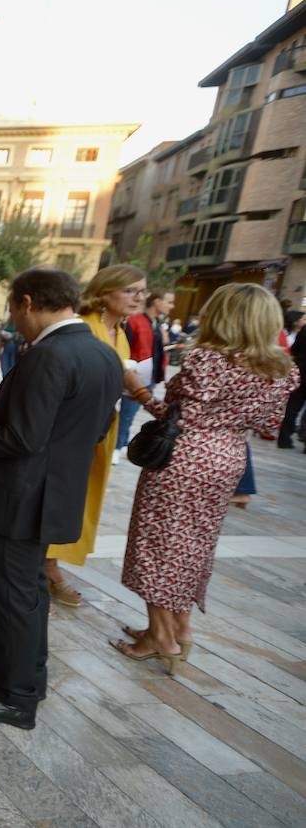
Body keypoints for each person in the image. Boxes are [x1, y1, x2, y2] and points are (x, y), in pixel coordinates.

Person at [0, 267, 122, 729]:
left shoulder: (49, 355)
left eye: (14, 311)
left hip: (20, 497)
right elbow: (92, 429)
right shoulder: (103, 353)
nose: (14, 322)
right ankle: (22, 671)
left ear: (26, 302)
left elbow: (21, 437)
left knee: (15, 596)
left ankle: (16, 698)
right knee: (31, 592)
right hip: (54, 493)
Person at [115, 283, 297, 671]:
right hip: (229, 457)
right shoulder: (281, 368)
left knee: (160, 545)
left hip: (185, 457)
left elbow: (181, 417)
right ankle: (178, 630)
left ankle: (162, 639)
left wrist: (143, 395)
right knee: (192, 546)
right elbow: (269, 423)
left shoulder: (208, 359)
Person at [45, 264, 147, 607]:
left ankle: (51, 561)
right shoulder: (86, 328)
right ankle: (48, 566)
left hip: (102, 425)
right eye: (131, 290)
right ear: (105, 292)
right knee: (67, 495)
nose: (139, 297)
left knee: (83, 499)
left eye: (142, 291)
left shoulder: (118, 330)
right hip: (77, 427)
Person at [114, 288, 174, 463]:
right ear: (156, 301)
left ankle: (122, 443)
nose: (171, 306)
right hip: (136, 375)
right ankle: (118, 446)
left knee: (130, 414)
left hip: (149, 375)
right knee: (126, 412)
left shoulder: (156, 324)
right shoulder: (136, 321)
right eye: (169, 301)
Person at [278, 310, 306, 450]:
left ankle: (284, 439)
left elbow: (294, 349)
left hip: (301, 372)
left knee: (292, 408)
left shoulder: (305, 329)